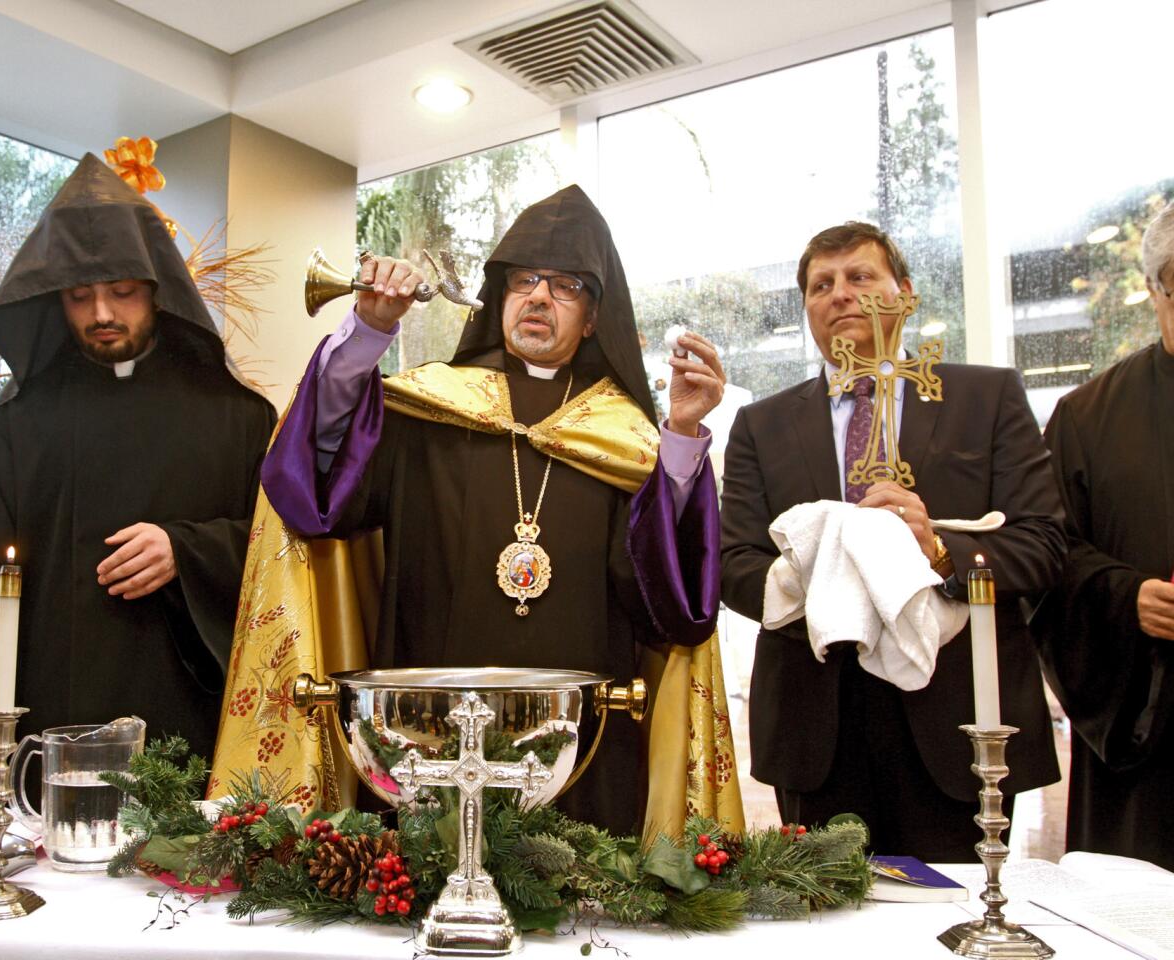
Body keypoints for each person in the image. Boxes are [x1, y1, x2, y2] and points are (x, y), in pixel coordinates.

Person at [213, 185, 733, 836]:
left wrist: (680, 438)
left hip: (582, 762)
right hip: (423, 737)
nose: (540, 296)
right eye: (525, 281)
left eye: (566, 285)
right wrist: (368, 334)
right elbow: (316, 492)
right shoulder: (429, 409)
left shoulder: (625, 438)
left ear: (594, 317)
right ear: (501, 297)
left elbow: (670, 601)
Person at [0, 156, 275, 804]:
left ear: (158, 288)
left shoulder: (238, 417)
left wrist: (186, 551)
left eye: (122, 291)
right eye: (80, 296)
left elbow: (278, 558)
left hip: (188, 719)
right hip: (50, 730)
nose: (102, 312)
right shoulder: (16, 428)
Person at [720, 221, 1065, 860]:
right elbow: (733, 563)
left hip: (957, 718)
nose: (840, 295)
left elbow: (1043, 545)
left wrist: (936, 551)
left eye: (861, 277)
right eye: (821, 285)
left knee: (953, 925)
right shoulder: (760, 427)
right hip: (816, 722)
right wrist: (815, 572)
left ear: (904, 293)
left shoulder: (985, 400)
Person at [1035, 202, 1174, 870]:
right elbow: (1047, 558)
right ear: (1153, 288)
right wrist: (1127, 597)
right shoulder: (1085, 419)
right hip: (1145, 719)